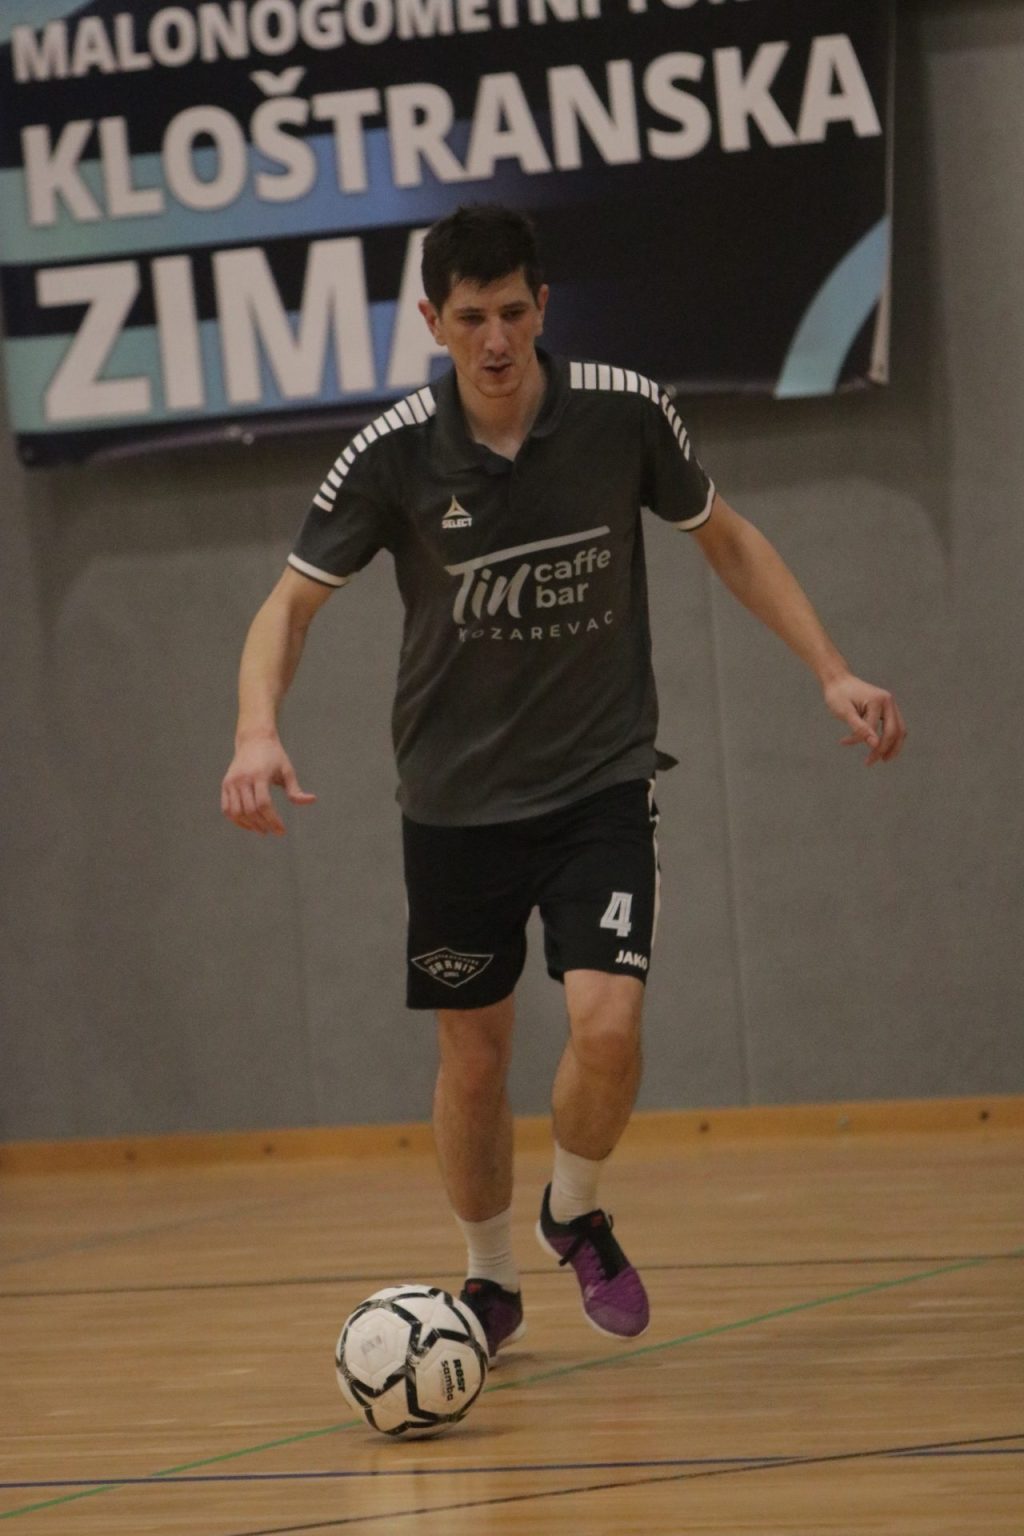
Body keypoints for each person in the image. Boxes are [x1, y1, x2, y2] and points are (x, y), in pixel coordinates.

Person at [222, 204, 906, 1361]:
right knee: (474, 1061)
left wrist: (831, 669)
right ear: (432, 321)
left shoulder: (622, 413)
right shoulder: (390, 452)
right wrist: (256, 730)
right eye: (469, 318)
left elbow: (726, 537)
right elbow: (287, 606)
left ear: (543, 307)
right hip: (455, 804)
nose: (494, 340)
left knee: (609, 1024)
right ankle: (488, 1280)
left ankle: (574, 1211)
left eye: (512, 312)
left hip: (600, 779)